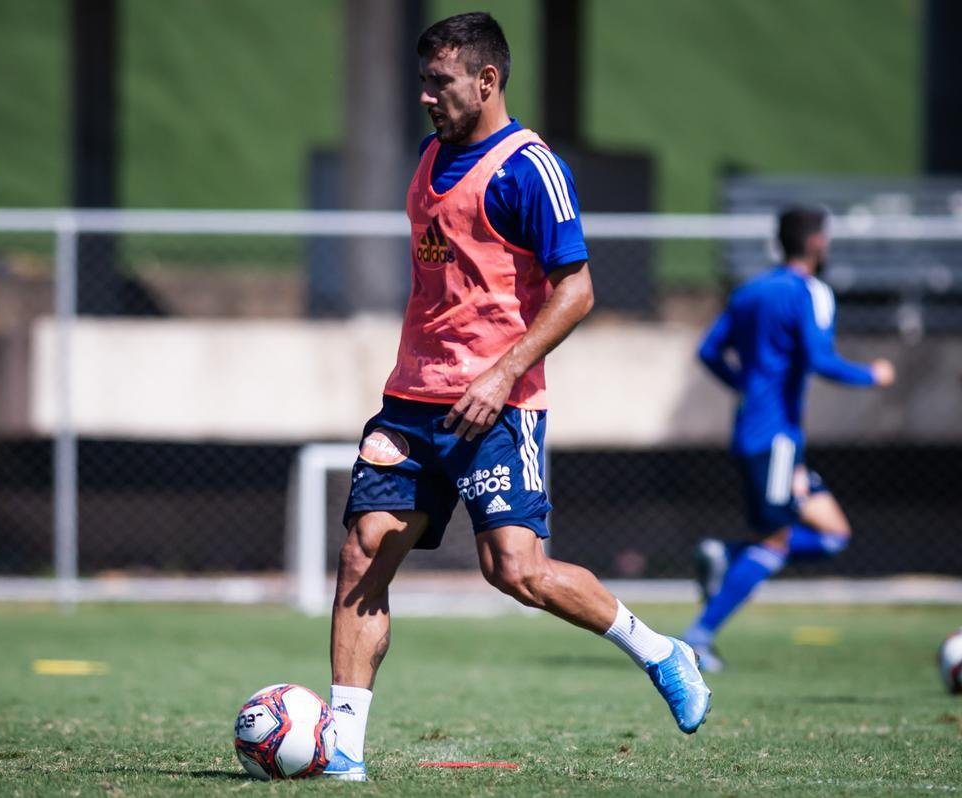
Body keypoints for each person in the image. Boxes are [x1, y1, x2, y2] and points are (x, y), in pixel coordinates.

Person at [323, 12, 710, 782]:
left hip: (500, 407)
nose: (427, 97)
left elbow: (578, 290)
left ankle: (662, 651)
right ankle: (342, 749)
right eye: (423, 81)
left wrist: (499, 375)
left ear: (488, 81)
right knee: (365, 551)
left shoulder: (529, 169)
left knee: (516, 570)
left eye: (441, 83)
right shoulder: (431, 153)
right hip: (412, 401)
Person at [680, 206, 896, 673]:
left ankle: (727, 556)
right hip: (774, 438)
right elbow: (821, 358)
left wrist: (743, 386)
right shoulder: (810, 292)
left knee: (834, 534)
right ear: (817, 242)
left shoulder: (750, 292)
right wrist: (871, 375)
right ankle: (697, 638)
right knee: (774, 542)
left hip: (763, 434)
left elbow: (709, 351)